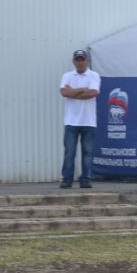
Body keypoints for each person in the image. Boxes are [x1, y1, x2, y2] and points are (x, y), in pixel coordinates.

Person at [59, 48, 101, 189]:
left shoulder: (94, 75)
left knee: (87, 153)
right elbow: (64, 92)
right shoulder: (67, 76)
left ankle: (85, 179)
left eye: (82, 59)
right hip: (71, 121)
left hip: (88, 121)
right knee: (69, 152)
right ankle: (67, 179)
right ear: (73, 61)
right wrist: (82, 89)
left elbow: (93, 93)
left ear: (87, 60)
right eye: (77, 59)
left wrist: (73, 92)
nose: (80, 62)